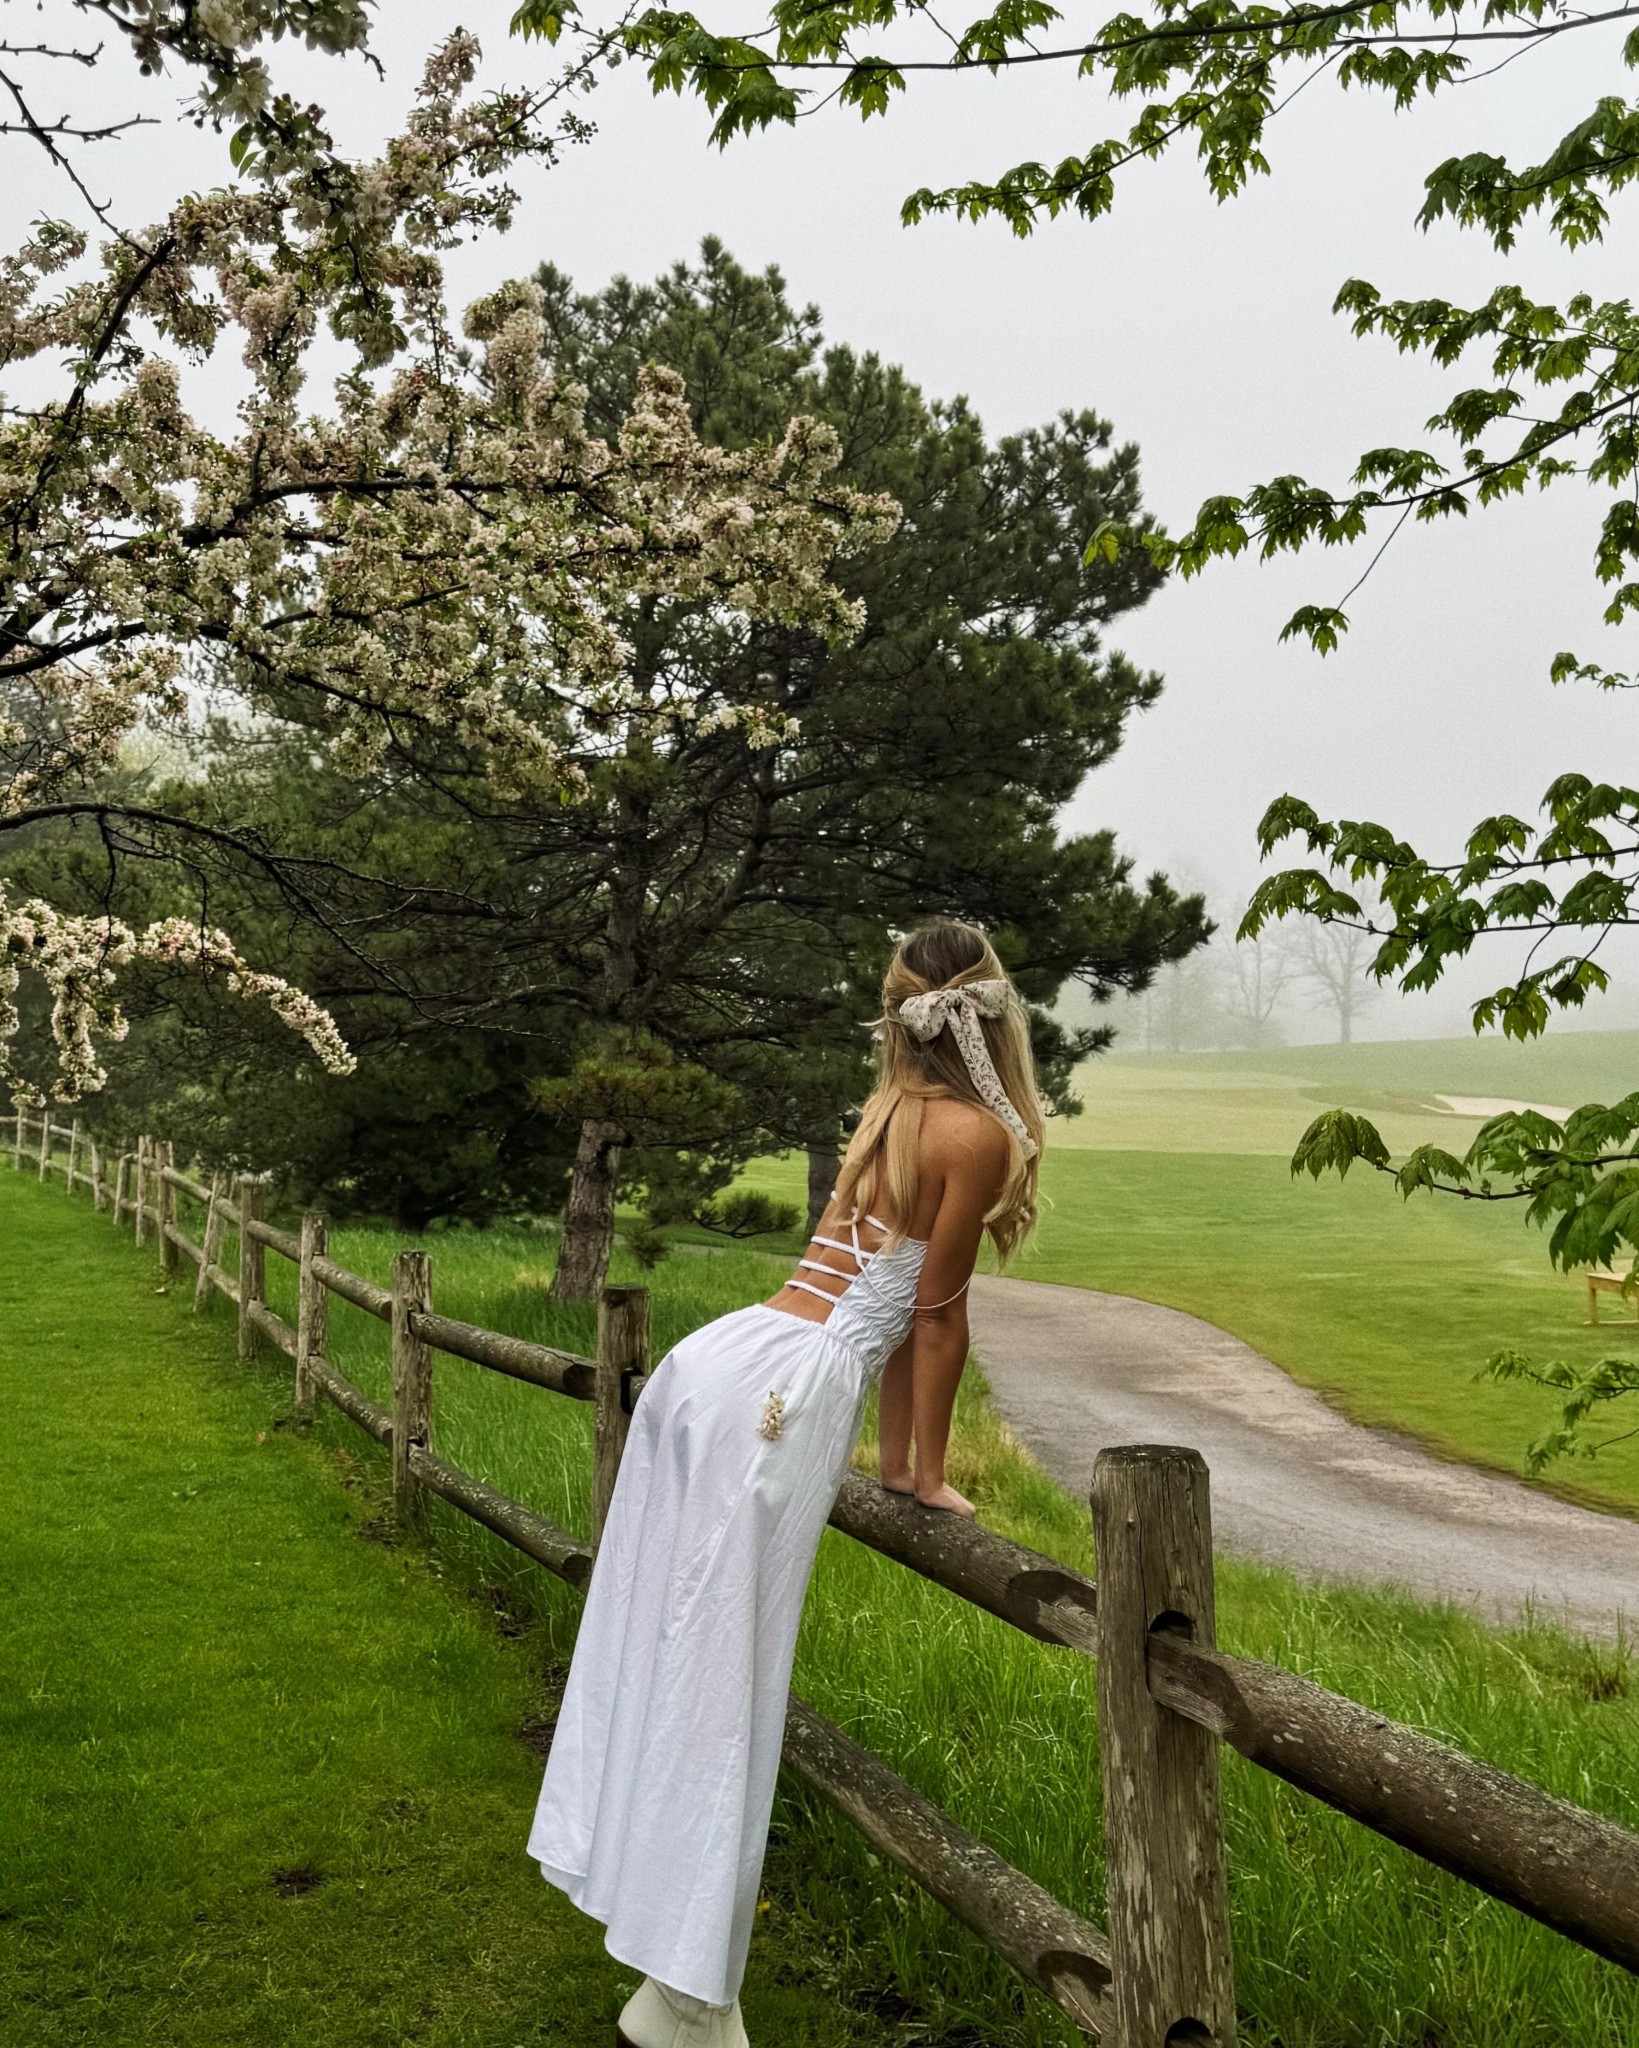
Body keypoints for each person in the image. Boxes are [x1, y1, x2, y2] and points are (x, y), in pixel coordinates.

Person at [527, 919, 1047, 2048]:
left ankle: (667, 1958)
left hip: (720, 1360)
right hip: (786, 1392)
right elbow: (935, 1317)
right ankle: (687, 1994)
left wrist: (905, 1462)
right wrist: (920, 1472)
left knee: (662, 1636)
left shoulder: (891, 1110)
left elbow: (898, 1300)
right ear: (994, 1012)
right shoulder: (978, 1133)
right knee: (728, 1674)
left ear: (902, 1006)